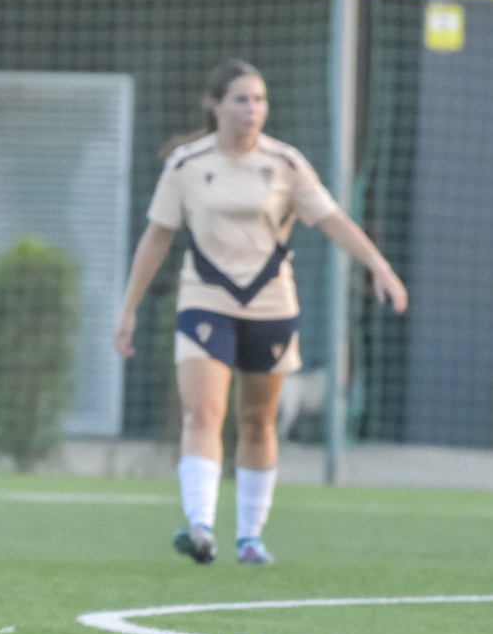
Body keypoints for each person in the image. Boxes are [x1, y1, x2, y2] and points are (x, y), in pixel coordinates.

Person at [113, 60, 407, 565]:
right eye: (241, 99)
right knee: (203, 412)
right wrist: (128, 309)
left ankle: (250, 538)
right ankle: (201, 527)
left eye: (259, 100)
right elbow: (157, 237)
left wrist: (379, 265)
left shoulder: (284, 162)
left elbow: (332, 219)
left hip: (271, 302)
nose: (252, 109)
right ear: (215, 105)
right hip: (206, 298)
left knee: (258, 420)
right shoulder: (186, 164)